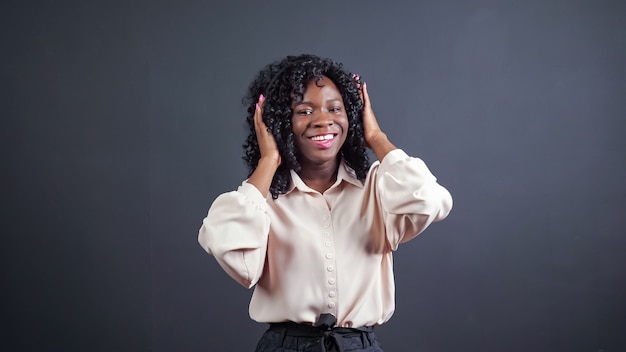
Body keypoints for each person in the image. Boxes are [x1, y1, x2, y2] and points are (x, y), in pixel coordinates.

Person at [198, 54, 453, 351]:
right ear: (280, 122)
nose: (323, 120)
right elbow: (238, 262)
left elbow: (430, 201)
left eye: (335, 109)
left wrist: (376, 136)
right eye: (304, 111)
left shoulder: (378, 188)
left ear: (352, 117)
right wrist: (269, 160)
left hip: (359, 345)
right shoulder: (262, 200)